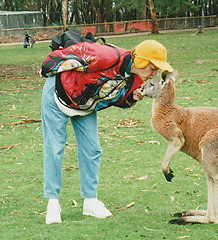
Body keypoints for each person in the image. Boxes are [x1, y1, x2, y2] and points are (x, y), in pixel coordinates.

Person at [40, 39, 173, 224]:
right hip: (58, 94)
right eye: (153, 67)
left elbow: (112, 97)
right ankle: (53, 203)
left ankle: (90, 201)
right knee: (54, 148)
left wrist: (131, 97)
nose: (154, 73)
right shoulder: (107, 56)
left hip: (85, 105)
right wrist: (48, 69)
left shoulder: (135, 79)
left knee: (92, 150)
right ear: (141, 60)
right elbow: (61, 57)